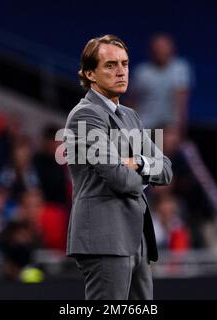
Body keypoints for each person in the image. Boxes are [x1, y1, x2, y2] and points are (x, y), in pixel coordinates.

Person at [64, 35, 173, 300]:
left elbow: (167, 170)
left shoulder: (130, 115)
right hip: (105, 237)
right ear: (90, 73)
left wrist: (138, 162)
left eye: (124, 63)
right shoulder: (85, 115)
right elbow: (119, 179)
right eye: (110, 65)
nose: (121, 71)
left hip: (137, 238)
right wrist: (146, 172)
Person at [130, 33, 193, 135]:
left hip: (168, 125)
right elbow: (132, 101)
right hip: (145, 123)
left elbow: (181, 102)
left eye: (164, 47)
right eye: (157, 48)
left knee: (170, 144)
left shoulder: (180, 68)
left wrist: (181, 130)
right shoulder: (141, 72)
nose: (160, 51)